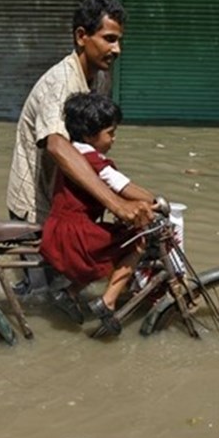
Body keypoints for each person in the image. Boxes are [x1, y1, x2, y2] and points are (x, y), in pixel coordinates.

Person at [5, 0, 154, 296]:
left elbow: (90, 151)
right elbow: (58, 147)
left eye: (119, 40)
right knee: (42, 299)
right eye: (109, 39)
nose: (117, 49)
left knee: (66, 284)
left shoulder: (93, 78)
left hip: (65, 203)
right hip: (38, 207)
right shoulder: (61, 83)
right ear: (81, 37)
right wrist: (117, 205)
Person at [40, 92, 157, 336]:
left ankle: (70, 292)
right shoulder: (94, 162)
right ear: (90, 135)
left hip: (60, 229)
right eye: (110, 133)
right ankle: (108, 302)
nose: (114, 139)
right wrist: (157, 201)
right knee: (137, 241)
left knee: (110, 246)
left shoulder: (76, 155)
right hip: (77, 234)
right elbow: (124, 187)